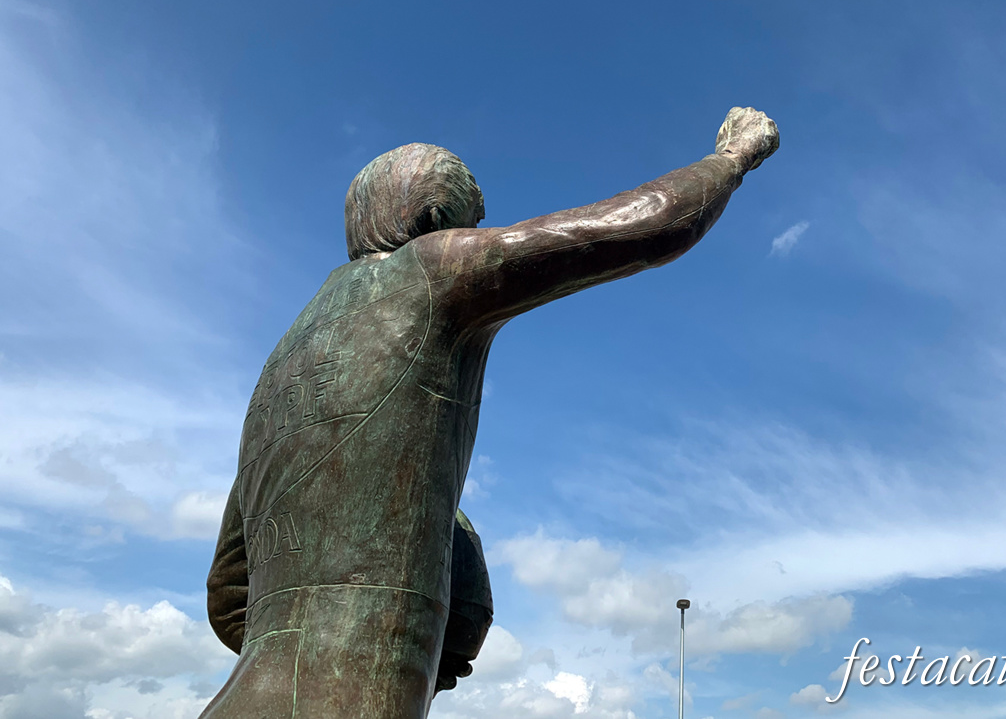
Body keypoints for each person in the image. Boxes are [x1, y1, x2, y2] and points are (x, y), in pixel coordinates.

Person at [201, 107, 779, 718]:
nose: (477, 237)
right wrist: (733, 157)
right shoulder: (430, 271)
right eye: (473, 225)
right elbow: (651, 221)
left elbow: (228, 590)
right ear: (432, 221)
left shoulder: (281, 364)